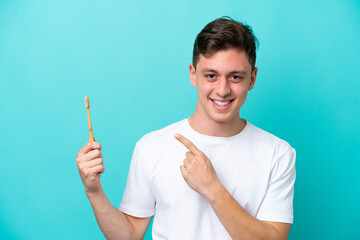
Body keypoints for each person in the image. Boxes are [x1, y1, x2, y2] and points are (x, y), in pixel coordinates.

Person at [76, 17, 296, 240]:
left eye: (235, 77)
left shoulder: (277, 153)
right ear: (193, 74)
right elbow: (129, 235)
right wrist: (94, 191)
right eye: (211, 75)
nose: (222, 89)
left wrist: (212, 187)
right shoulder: (151, 147)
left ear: (252, 78)